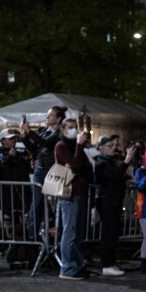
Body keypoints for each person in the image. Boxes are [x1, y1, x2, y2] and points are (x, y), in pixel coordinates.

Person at [54, 119, 94, 280]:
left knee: (77, 232)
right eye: (70, 128)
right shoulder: (61, 146)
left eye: (75, 128)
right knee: (69, 231)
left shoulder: (75, 147)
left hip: (79, 192)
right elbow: (76, 164)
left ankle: (76, 265)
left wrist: (77, 153)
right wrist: (78, 146)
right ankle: (67, 267)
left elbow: (84, 166)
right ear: (63, 130)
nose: (74, 130)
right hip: (69, 193)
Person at [21, 105, 66, 239]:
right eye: (47, 115)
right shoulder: (44, 131)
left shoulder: (59, 134)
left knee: (55, 204)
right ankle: (32, 235)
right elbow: (34, 149)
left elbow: (46, 143)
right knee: (37, 203)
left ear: (58, 119)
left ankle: (54, 234)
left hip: (51, 170)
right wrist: (24, 137)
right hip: (40, 170)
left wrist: (29, 132)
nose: (47, 117)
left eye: (50, 115)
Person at [94, 137, 135, 276]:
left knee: (114, 232)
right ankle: (107, 264)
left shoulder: (109, 162)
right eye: (109, 145)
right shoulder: (101, 163)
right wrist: (127, 160)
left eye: (114, 145)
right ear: (101, 148)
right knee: (108, 233)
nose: (113, 148)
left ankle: (111, 262)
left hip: (114, 201)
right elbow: (116, 176)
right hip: (107, 201)